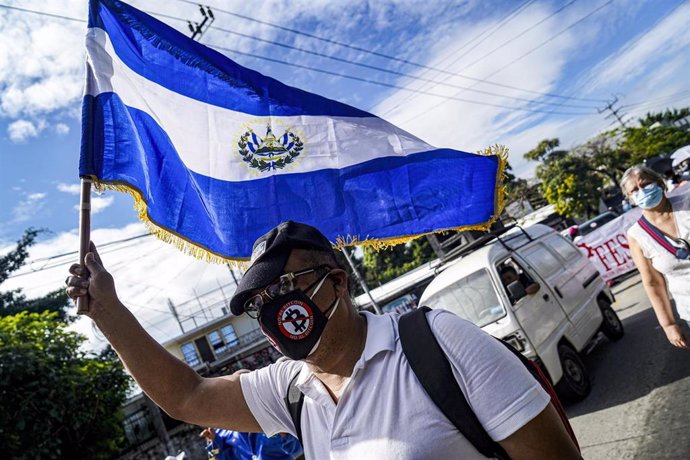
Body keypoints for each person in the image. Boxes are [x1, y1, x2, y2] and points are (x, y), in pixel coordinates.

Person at [66, 221, 581, 459]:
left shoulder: (440, 343)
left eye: (285, 288)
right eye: (257, 301)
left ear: (338, 282)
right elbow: (187, 397)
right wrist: (109, 312)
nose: (273, 307)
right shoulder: (289, 389)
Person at [621, 165, 690, 349]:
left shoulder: (687, 203)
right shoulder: (637, 236)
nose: (642, 191)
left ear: (659, 183)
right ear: (630, 199)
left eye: (646, 184)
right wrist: (668, 324)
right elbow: (653, 282)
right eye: (634, 190)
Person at [200, 427, 302, 460]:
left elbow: (298, 449)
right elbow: (220, 456)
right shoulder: (223, 431)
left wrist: (285, 435)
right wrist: (213, 440)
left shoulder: (270, 419)